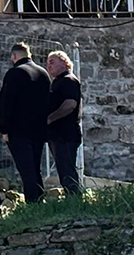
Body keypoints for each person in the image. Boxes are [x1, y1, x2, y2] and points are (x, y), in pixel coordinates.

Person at [0, 42, 51, 203]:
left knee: (26, 170)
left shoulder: (15, 73)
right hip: (39, 129)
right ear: (30, 55)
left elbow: (7, 103)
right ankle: (40, 201)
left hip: (18, 130)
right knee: (35, 168)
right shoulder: (43, 74)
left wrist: (4, 129)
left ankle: (32, 204)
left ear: (14, 56)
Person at [44, 50, 83, 197]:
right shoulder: (58, 82)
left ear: (64, 63)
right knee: (64, 170)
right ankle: (72, 198)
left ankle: (75, 199)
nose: (48, 65)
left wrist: (50, 118)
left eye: (52, 62)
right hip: (58, 134)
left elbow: (70, 105)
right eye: (47, 63)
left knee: (67, 170)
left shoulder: (68, 80)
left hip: (65, 134)